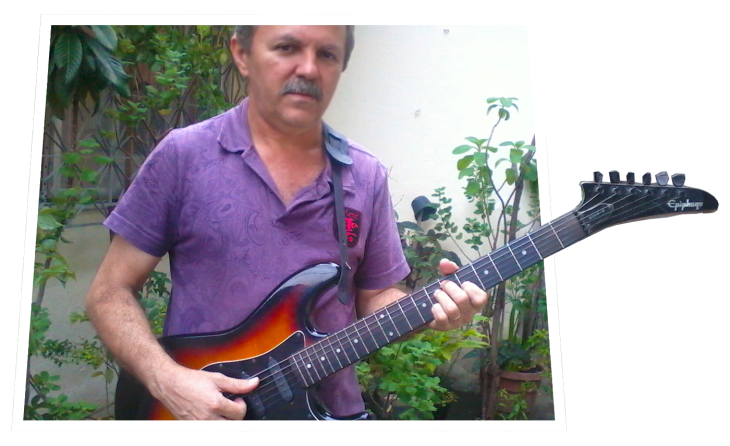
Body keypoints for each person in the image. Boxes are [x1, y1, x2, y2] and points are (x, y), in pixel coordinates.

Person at [85, 25, 488, 421]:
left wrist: (435, 307)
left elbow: (376, 295)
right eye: (286, 47)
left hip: (328, 412)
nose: (309, 68)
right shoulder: (185, 155)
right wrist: (167, 380)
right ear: (242, 54)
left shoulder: (364, 175)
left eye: (327, 54)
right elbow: (109, 293)